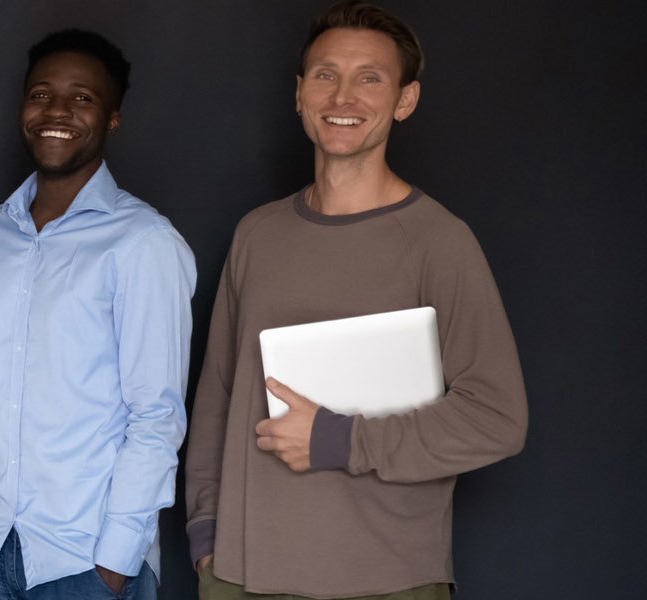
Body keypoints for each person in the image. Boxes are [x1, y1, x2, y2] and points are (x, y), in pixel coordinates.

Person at [184, 2, 528, 598]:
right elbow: (218, 395)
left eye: (370, 78)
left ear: (405, 99)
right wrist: (206, 536)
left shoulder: (440, 242)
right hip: (243, 573)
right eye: (325, 75)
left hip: (389, 577)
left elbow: (496, 420)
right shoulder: (256, 233)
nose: (343, 98)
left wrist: (339, 440)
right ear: (299, 94)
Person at [0, 29, 195, 600]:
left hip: (84, 563)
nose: (57, 110)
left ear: (111, 119)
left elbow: (156, 415)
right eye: (41, 94)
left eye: (82, 97)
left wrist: (116, 561)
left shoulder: (144, 242)